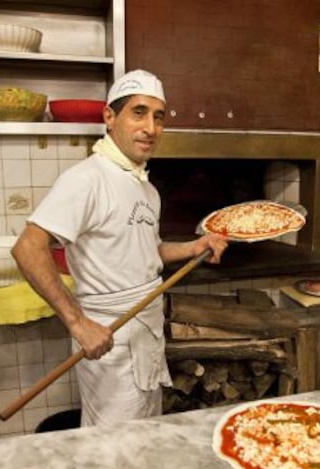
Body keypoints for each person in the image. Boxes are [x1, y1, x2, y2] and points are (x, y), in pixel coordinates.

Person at [12, 69, 228, 428]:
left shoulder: (145, 188)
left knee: (141, 436)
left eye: (159, 117)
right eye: (139, 112)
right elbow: (27, 249)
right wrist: (78, 323)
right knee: (110, 444)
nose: (151, 128)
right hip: (109, 337)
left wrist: (195, 247)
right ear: (110, 118)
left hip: (146, 332)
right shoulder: (87, 179)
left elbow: (148, 250)